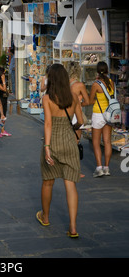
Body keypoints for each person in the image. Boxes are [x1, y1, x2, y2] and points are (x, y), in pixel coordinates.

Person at [37, 64, 84, 239]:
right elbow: (80, 121)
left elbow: (48, 124)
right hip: (69, 142)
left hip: (53, 142)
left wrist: (47, 148)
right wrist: (73, 129)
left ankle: (46, 217)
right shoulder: (73, 96)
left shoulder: (47, 98)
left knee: (48, 181)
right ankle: (73, 227)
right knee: (70, 184)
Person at [89, 61, 115, 178]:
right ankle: (107, 168)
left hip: (98, 114)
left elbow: (90, 100)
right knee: (107, 141)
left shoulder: (96, 84)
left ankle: (99, 168)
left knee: (96, 142)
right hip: (109, 114)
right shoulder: (111, 83)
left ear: (97, 71)